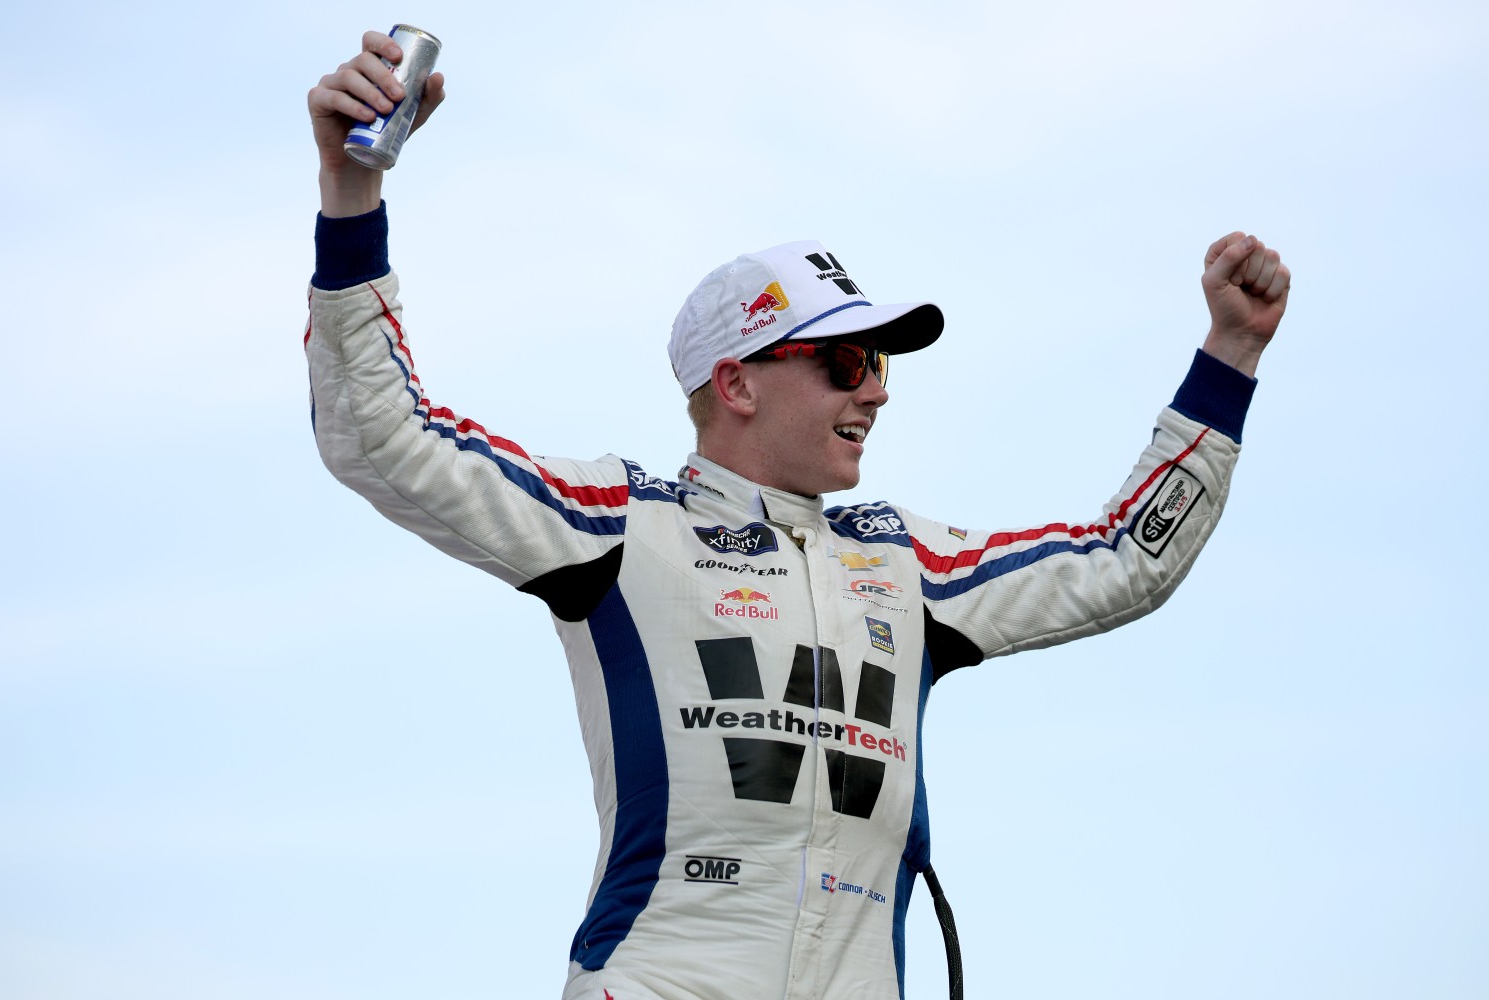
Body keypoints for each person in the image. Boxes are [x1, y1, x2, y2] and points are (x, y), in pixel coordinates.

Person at [304, 31, 1291, 1000]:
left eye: (883, 363)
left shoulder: (908, 563)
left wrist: (1229, 358)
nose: (879, 394)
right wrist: (353, 196)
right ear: (736, 382)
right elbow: (380, 435)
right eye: (847, 363)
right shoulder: (620, 525)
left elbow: (1127, 559)